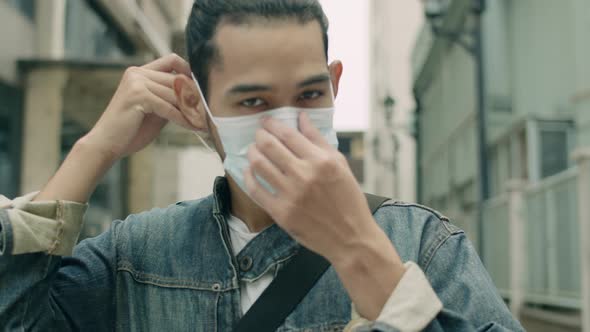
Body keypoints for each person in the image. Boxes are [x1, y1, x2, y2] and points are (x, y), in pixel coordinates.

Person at [0, 0, 523, 331]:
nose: (289, 126)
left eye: (310, 93)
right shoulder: (136, 255)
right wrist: (96, 148)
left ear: (335, 85)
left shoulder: (422, 243)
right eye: (254, 103)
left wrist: (359, 251)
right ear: (193, 103)